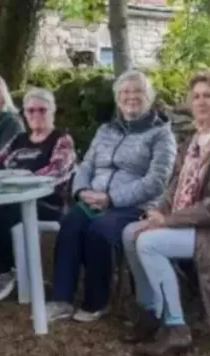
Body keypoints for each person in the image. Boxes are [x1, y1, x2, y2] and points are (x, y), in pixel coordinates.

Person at [122, 68, 210, 356]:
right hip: (201, 226)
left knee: (149, 243)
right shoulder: (200, 138)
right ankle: (151, 311)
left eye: (209, 96)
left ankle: (176, 329)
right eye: (196, 96)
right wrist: (159, 211)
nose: (200, 102)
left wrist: (169, 221)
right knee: (130, 233)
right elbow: (175, 187)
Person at [46, 70, 177, 323]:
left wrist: (111, 198)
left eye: (138, 92)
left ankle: (97, 301)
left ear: (149, 98)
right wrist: (82, 191)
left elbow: (156, 181)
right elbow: (86, 165)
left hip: (133, 205)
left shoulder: (161, 135)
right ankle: (62, 299)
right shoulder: (106, 130)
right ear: (118, 99)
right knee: (71, 223)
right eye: (125, 92)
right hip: (94, 198)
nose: (131, 97)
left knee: (99, 230)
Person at [0, 88, 76, 303]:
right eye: (31, 111)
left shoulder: (61, 140)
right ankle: (4, 271)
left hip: (44, 202)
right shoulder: (19, 139)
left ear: (52, 112)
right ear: (25, 114)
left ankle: (14, 270)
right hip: (9, 196)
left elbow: (57, 171)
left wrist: (20, 176)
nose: (36, 115)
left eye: (42, 110)